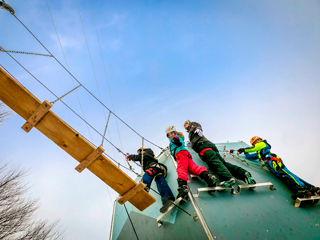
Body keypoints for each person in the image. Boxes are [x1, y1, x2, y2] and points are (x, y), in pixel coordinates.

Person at [238, 136, 320, 201]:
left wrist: (244, 149)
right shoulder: (260, 151)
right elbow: (252, 156)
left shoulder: (262, 144)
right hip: (270, 163)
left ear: (259, 140)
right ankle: (311, 188)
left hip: (272, 160)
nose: (255, 143)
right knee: (286, 175)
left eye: (256, 142)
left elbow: (254, 148)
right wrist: (245, 153)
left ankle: (302, 189)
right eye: (254, 143)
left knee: (284, 174)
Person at [184, 120, 256, 187]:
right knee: (223, 164)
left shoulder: (192, 126)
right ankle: (244, 174)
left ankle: (227, 178)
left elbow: (196, 126)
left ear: (188, 123)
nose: (186, 128)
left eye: (186, 125)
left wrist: (197, 129)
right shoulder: (192, 132)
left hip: (203, 146)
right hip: (209, 146)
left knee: (214, 162)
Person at [166, 125, 217, 201]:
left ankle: (182, 187)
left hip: (181, 154)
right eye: (168, 135)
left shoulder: (175, 138)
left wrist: (177, 142)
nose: (169, 135)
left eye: (170, 134)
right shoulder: (177, 138)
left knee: (181, 169)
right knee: (194, 168)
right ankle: (208, 177)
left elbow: (180, 143)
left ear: (173, 133)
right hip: (186, 155)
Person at [126, 147, 175, 213]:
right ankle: (168, 199)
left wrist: (130, 156)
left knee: (148, 174)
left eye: (138, 151)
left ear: (141, 150)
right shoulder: (149, 154)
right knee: (161, 184)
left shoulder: (145, 152)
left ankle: (143, 186)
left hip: (153, 166)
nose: (138, 153)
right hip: (158, 169)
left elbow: (139, 157)